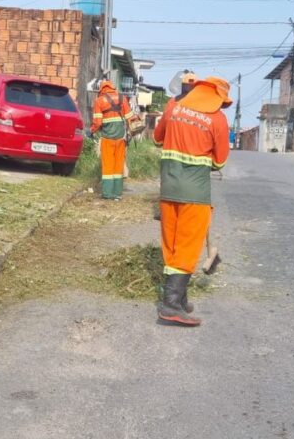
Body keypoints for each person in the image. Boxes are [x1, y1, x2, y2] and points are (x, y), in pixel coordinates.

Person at [151, 75, 232, 327]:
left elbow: (156, 138)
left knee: (171, 244)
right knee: (186, 248)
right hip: (194, 194)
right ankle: (171, 305)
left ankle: (180, 298)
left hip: (168, 188)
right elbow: (219, 161)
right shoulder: (217, 119)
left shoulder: (174, 108)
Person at [90, 79, 134, 200]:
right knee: (118, 165)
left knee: (108, 166)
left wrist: (91, 131)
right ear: (112, 87)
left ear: (101, 89)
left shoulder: (99, 101)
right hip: (121, 138)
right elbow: (130, 117)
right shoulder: (122, 98)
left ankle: (108, 193)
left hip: (107, 138)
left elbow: (98, 123)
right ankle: (117, 193)